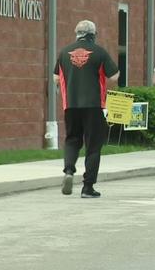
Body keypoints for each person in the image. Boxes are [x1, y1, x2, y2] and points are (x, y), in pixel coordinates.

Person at [54, 20, 119, 198]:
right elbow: (114, 75)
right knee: (93, 146)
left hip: (71, 105)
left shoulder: (64, 52)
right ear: (93, 34)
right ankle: (87, 187)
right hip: (94, 105)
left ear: (77, 33)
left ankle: (68, 170)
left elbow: (55, 78)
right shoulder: (99, 52)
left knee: (72, 139)